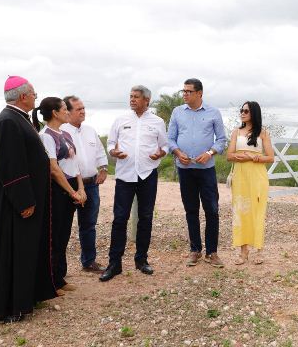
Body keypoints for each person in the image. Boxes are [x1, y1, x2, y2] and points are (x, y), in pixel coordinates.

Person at [0, 76, 56, 322]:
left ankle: (21, 299)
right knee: (9, 251)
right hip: (9, 201)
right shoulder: (8, 121)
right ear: (22, 96)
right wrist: (24, 201)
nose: (36, 96)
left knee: (21, 250)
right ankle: (5, 306)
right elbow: (11, 166)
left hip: (15, 199)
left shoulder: (18, 118)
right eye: (33, 93)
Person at [100, 85, 168, 282]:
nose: (132, 99)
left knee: (145, 217)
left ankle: (141, 260)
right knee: (119, 219)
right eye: (131, 96)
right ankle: (114, 264)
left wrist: (160, 153)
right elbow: (110, 143)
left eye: (136, 97)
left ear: (147, 100)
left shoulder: (157, 121)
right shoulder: (121, 120)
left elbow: (164, 145)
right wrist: (113, 152)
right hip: (125, 175)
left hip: (148, 174)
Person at [168, 78, 227, 268]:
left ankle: (212, 252)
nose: (185, 94)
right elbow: (170, 139)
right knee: (191, 210)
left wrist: (209, 153)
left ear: (199, 93)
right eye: (183, 91)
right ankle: (195, 250)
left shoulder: (213, 112)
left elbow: (221, 140)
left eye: (189, 91)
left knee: (212, 210)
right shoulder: (177, 112)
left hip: (207, 170)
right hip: (185, 170)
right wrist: (178, 153)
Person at [34, 97, 87, 295]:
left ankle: (59, 276)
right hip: (58, 190)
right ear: (55, 113)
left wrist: (81, 188)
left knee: (64, 234)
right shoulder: (46, 136)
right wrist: (71, 192)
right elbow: (54, 169)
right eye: (65, 109)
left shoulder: (65, 133)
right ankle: (50, 281)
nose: (68, 112)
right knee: (54, 236)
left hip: (71, 187)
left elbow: (74, 164)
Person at [61, 96, 109, 273]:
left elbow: (100, 151)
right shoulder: (60, 132)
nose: (83, 111)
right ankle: (58, 269)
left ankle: (89, 261)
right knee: (62, 226)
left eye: (83, 108)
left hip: (91, 185)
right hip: (67, 186)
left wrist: (103, 168)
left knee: (89, 225)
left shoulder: (90, 130)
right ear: (67, 112)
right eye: (78, 109)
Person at [226, 101, 274, 265]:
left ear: (254, 113)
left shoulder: (263, 133)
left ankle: (259, 250)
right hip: (240, 176)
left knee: (257, 210)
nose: (242, 113)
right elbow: (229, 155)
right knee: (241, 211)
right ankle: (243, 251)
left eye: (246, 111)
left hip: (257, 176)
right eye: (241, 110)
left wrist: (254, 157)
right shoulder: (236, 132)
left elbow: (270, 157)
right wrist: (240, 157)